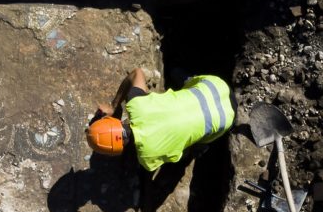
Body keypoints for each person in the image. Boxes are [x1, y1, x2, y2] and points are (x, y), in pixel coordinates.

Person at [87, 68, 235, 171]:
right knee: (183, 82)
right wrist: (113, 106)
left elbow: (178, 154)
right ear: (114, 121)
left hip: (225, 118)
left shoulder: (147, 158)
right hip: (214, 85)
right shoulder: (137, 104)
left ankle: (199, 148)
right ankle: (184, 78)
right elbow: (137, 73)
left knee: (192, 145)